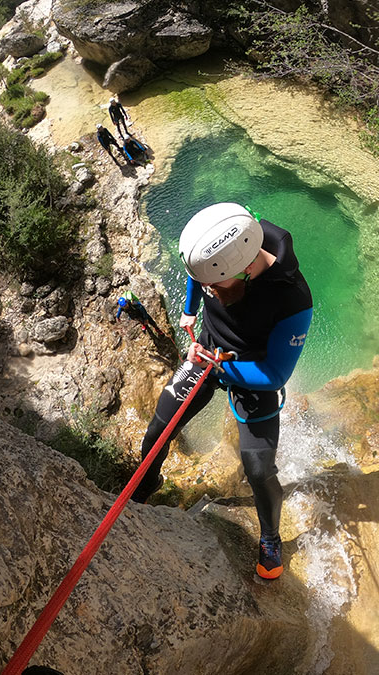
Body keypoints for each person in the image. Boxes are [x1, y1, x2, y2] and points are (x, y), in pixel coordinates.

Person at [131, 203, 313, 580]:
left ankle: (270, 537)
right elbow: (199, 275)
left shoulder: (292, 298)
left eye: (216, 285)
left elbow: (275, 373)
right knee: (157, 432)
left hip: (251, 370)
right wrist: (189, 308)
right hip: (210, 353)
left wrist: (219, 365)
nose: (209, 291)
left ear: (246, 269)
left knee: (259, 468)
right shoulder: (225, 250)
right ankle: (146, 484)